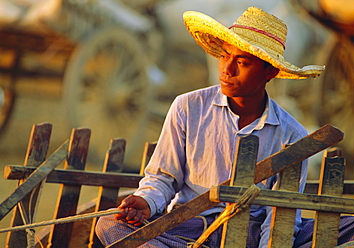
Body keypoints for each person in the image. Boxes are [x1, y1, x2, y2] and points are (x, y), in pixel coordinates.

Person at [95, 7, 331, 247]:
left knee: (351, 226)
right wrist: (146, 202)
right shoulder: (188, 107)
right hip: (187, 228)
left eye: (241, 62)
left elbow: (279, 217)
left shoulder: (292, 134)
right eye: (224, 56)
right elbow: (162, 178)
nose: (227, 70)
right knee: (109, 224)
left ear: (269, 71)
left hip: (250, 234)